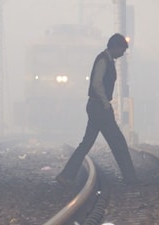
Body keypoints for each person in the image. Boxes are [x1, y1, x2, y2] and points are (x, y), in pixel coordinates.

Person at [56, 33, 137, 186]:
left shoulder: (106, 59)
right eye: (121, 50)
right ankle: (130, 178)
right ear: (115, 47)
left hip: (96, 106)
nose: (122, 54)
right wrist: (106, 103)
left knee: (86, 143)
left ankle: (66, 175)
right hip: (99, 107)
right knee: (118, 141)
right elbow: (97, 83)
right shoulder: (103, 60)